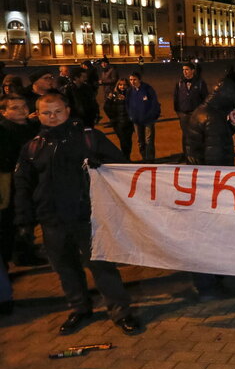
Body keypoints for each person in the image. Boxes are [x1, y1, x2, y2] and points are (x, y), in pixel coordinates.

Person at [14, 93, 141, 335]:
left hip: (88, 216)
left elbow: (121, 167)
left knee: (102, 266)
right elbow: (23, 186)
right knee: (66, 268)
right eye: (46, 112)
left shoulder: (89, 138)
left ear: (68, 110)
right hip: (51, 219)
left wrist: (100, 168)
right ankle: (80, 308)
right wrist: (24, 221)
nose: (53, 117)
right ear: (37, 114)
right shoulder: (33, 147)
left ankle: (120, 312)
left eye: (58, 111)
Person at [185, 70, 235, 300]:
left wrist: (230, 127)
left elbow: (209, 145)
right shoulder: (212, 118)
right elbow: (216, 160)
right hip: (210, 190)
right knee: (208, 238)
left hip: (200, 185)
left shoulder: (203, 113)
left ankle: (209, 280)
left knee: (205, 237)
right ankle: (207, 286)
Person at [0, 95, 43, 268]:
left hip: (32, 180)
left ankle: (24, 250)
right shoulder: (4, 131)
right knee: (18, 219)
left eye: (24, 106)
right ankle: (20, 254)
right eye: (14, 108)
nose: (22, 110)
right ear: (3, 112)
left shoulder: (32, 127)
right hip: (13, 183)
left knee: (30, 217)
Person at [173, 63, 209, 158]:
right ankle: (186, 154)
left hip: (196, 114)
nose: (184, 72)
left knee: (198, 134)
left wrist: (202, 112)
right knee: (185, 135)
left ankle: (197, 154)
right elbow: (176, 97)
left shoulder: (200, 83)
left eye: (187, 69)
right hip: (184, 114)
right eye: (183, 70)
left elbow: (205, 98)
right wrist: (178, 111)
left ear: (193, 71)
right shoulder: (180, 83)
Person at [126, 72, 160, 162]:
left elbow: (154, 103)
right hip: (136, 120)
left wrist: (151, 115)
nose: (132, 82)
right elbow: (127, 105)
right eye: (130, 80)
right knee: (140, 141)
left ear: (139, 80)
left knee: (149, 140)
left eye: (134, 79)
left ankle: (150, 160)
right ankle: (144, 158)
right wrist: (131, 116)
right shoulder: (130, 91)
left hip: (148, 120)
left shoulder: (147, 89)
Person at [103, 79, 134, 159]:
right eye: (120, 85)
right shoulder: (113, 95)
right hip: (118, 123)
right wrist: (112, 117)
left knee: (128, 141)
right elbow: (106, 107)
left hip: (129, 122)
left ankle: (127, 157)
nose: (122, 86)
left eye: (124, 85)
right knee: (123, 141)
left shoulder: (131, 94)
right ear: (117, 85)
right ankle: (125, 158)